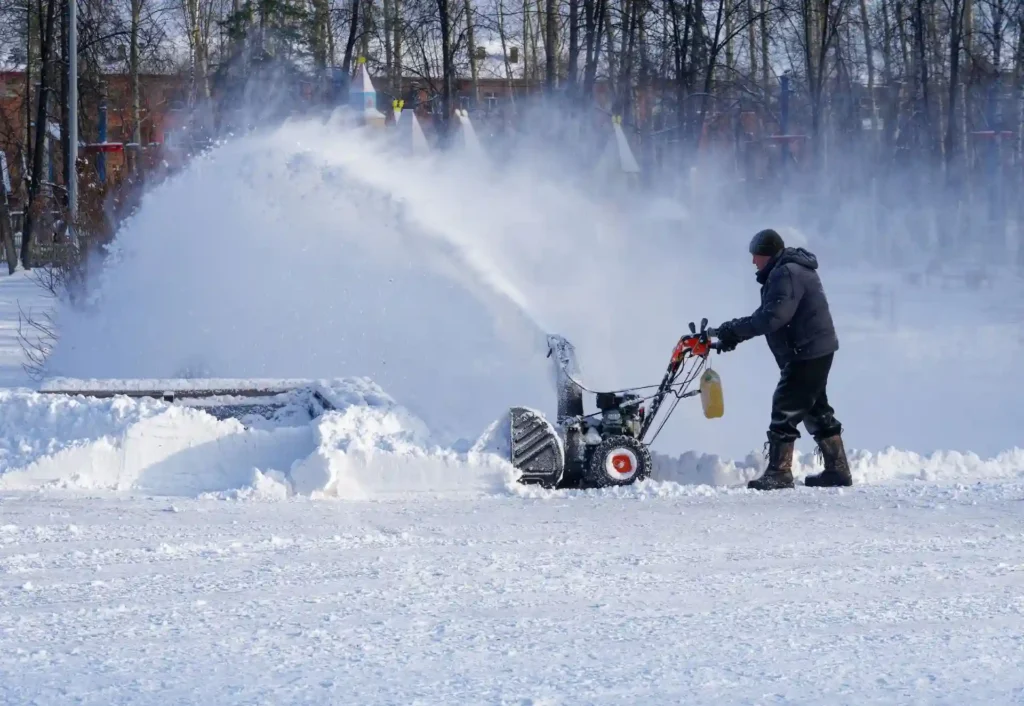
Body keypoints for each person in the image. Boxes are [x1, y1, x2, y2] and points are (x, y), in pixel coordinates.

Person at [714, 228, 852, 490]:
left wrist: (735, 329)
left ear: (769, 254)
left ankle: (779, 472)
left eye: (757, 256)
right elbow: (770, 312)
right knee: (815, 409)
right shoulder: (785, 271)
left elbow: (774, 317)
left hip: (806, 351)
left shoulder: (787, 272)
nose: (753, 261)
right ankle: (838, 470)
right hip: (812, 349)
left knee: (785, 407)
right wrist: (734, 333)